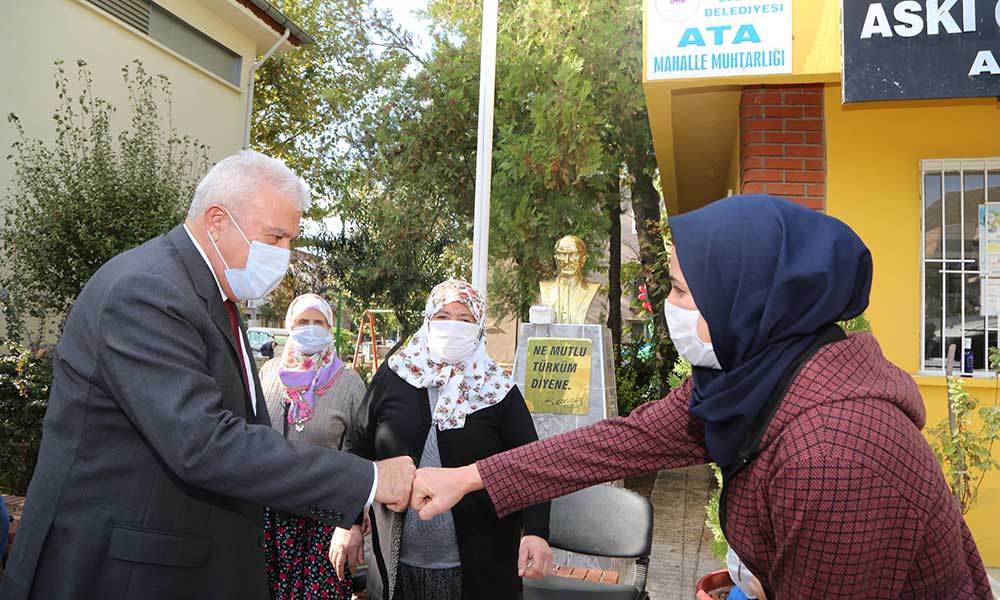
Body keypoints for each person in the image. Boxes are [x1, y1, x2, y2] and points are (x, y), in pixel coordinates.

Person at [409, 196, 993, 599]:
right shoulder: (757, 374)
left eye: (683, 291)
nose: (668, 305)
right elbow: (624, 440)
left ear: (747, 300)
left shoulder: (837, 453)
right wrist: (470, 477)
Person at [0, 151, 415, 600]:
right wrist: (369, 479)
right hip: (117, 575)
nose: (284, 256)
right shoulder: (148, 290)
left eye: (290, 240)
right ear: (217, 220)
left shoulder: (214, 296)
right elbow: (204, 443)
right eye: (274, 237)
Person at [338, 279, 552, 600]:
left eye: (464, 319)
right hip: (397, 570)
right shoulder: (394, 375)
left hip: (479, 571)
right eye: (442, 317)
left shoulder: (497, 389)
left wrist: (536, 532)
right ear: (427, 321)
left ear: (478, 328)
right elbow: (356, 449)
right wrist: (349, 523)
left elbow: (531, 465)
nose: (453, 326)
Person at [258, 293, 368, 599]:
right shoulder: (269, 374)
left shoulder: (348, 383)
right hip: (269, 514)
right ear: (289, 326)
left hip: (324, 520)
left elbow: (358, 456)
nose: (310, 328)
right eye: (302, 321)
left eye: (318, 322)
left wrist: (352, 524)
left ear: (330, 327)